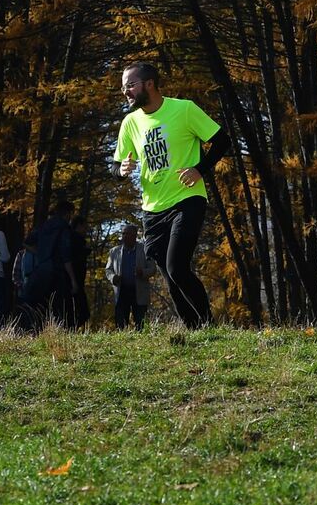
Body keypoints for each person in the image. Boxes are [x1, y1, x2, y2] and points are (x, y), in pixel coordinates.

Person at [114, 61, 228, 328]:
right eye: (123, 87)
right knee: (170, 275)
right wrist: (122, 170)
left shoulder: (184, 109)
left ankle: (208, 325)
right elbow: (116, 167)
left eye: (130, 85)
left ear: (150, 84)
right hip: (152, 209)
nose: (126, 92)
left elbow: (222, 141)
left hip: (187, 199)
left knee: (177, 267)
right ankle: (195, 330)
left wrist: (199, 169)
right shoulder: (130, 123)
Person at [28, 202, 78, 326]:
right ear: (68, 213)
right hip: (57, 271)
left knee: (40, 304)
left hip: (41, 269)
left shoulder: (43, 226)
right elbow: (66, 255)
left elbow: (27, 242)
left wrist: (41, 253)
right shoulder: (64, 228)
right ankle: (55, 330)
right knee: (57, 307)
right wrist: (73, 280)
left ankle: (36, 329)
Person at [106, 223, 154, 329]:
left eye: (128, 234)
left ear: (135, 235)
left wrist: (142, 272)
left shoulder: (144, 250)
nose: (125, 236)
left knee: (141, 324)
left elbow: (152, 269)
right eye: (123, 233)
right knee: (121, 325)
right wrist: (113, 277)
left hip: (139, 292)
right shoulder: (114, 251)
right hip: (121, 292)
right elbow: (108, 270)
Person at [69, 211, 93, 328]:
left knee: (79, 310)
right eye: (84, 226)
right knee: (81, 312)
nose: (86, 229)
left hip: (75, 280)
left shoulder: (72, 239)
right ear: (79, 225)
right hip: (75, 279)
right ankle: (71, 329)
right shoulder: (77, 240)